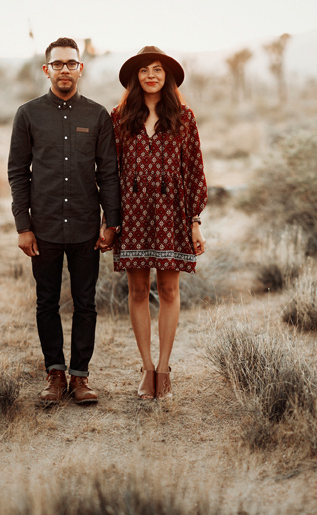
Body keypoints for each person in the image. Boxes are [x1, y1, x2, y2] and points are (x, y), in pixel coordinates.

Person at [8, 37, 121, 405]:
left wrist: (110, 222)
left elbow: (108, 173)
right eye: (57, 64)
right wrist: (23, 226)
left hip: (87, 226)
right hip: (44, 227)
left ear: (80, 68)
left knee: (86, 303)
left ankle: (80, 378)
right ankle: (54, 375)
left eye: (71, 63)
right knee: (47, 302)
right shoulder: (28, 114)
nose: (64, 70)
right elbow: (17, 172)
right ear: (47, 70)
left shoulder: (98, 115)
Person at [110, 45, 207, 400]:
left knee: (168, 290)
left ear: (167, 77)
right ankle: (146, 368)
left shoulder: (183, 117)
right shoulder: (119, 117)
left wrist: (194, 221)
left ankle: (164, 369)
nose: (151, 75)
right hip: (133, 214)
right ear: (136, 78)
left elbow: (194, 170)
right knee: (137, 291)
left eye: (158, 70)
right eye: (144, 70)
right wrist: (111, 219)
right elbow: (109, 171)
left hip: (172, 215)